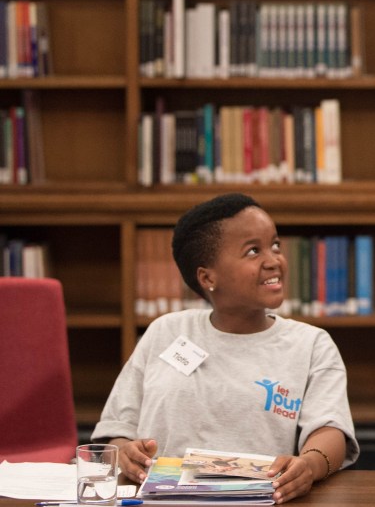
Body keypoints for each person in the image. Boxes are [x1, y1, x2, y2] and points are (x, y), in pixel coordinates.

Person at [92, 193, 358, 502]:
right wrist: (126, 450)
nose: (273, 261)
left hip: (260, 498)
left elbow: (330, 429)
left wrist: (309, 465)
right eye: (253, 251)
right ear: (207, 278)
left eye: (274, 245)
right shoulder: (165, 331)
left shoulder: (311, 344)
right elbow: (119, 427)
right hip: (160, 499)